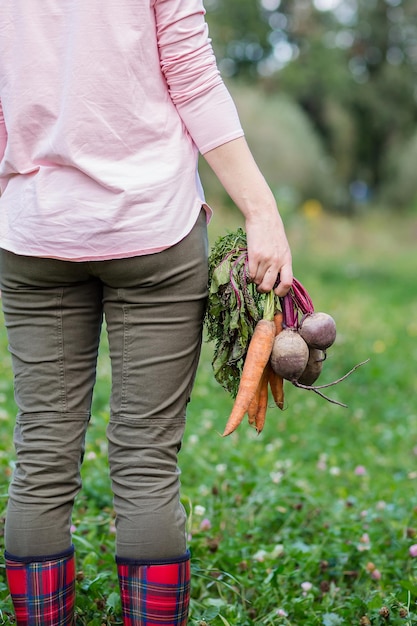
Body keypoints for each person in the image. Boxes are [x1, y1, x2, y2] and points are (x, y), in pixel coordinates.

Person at [0, 1, 292, 624]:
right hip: (152, 228)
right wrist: (262, 211)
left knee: (42, 459)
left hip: (34, 230)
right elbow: (191, 74)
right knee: (145, 461)